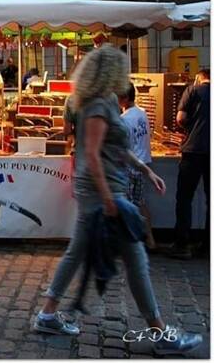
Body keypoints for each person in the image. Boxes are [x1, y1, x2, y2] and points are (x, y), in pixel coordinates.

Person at [33, 45, 201, 355]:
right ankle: (160, 333)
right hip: (102, 192)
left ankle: (47, 314)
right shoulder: (97, 105)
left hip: (102, 190)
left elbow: (115, 148)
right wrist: (110, 199)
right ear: (109, 72)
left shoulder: (105, 101)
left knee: (77, 253)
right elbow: (94, 156)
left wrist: (145, 171)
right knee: (136, 260)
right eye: (121, 69)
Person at [170, 68, 210, 259]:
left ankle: (182, 245)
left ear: (198, 78)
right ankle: (207, 246)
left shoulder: (192, 90)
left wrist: (189, 130)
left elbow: (180, 118)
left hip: (193, 150)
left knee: (185, 198)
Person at [118, 83, 155, 249]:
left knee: (127, 204)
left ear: (124, 98)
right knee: (140, 202)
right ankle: (150, 239)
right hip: (143, 163)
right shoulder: (142, 112)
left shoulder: (124, 120)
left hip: (129, 166)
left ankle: (130, 242)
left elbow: (124, 147)